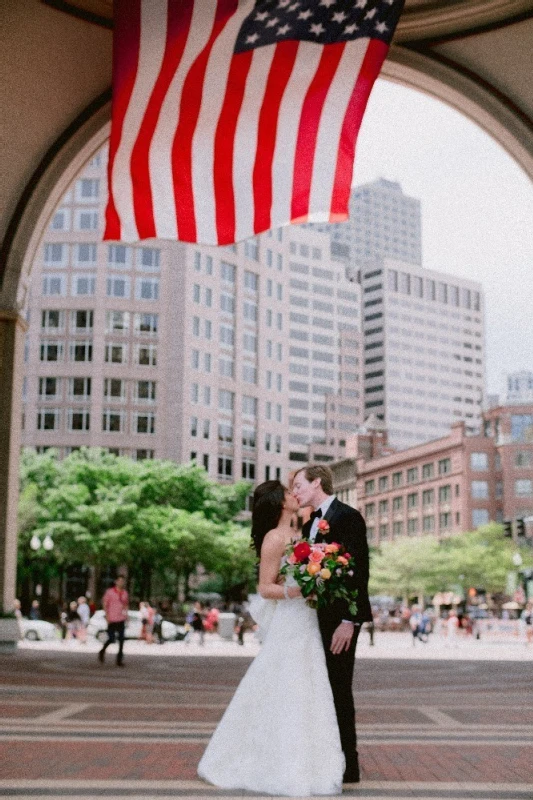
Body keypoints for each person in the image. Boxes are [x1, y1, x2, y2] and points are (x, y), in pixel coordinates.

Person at [198, 480, 345, 796]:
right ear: (279, 503)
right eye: (288, 492)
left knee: (309, 683)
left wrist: (316, 578)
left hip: (306, 618)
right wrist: (298, 589)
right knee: (285, 681)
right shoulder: (274, 538)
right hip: (291, 619)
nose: (295, 494)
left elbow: (281, 575)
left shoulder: (300, 535)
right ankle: (273, 760)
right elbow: (265, 586)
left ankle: (310, 761)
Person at [292, 465, 372, 785]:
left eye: (298, 485)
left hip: (340, 620)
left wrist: (349, 621)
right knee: (319, 690)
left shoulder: (347, 517)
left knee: (339, 689)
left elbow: (359, 570)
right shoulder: (309, 523)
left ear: (316, 483)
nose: (295, 492)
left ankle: (349, 766)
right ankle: (325, 757)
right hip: (314, 619)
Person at [98, 575, 129, 666]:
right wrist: (107, 616)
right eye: (119, 581)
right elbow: (105, 604)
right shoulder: (110, 592)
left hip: (121, 619)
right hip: (112, 618)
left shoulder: (124, 593)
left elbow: (126, 605)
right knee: (111, 638)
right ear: (116, 582)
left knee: (121, 640)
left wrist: (126, 615)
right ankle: (102, 651)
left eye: (122, 581)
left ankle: (119, 660)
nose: (121, 583)